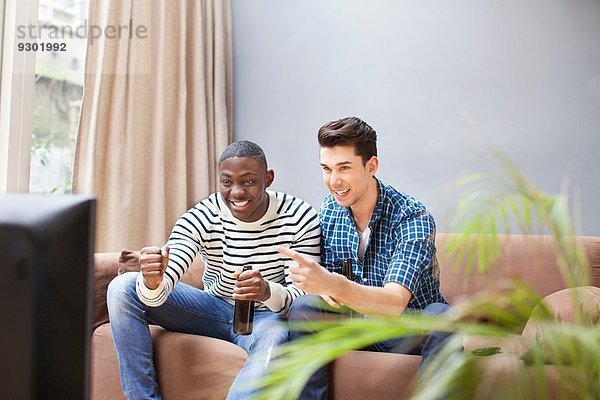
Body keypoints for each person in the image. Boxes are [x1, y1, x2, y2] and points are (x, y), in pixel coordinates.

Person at [107, 140, 321, 400]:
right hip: (210, 308)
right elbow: (165, 281)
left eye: (248, 181)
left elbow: (302, 301)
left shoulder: (299, 217)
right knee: (122, 287)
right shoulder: (204, 214)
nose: (237, 192)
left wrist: (267, 291)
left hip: (265, 318)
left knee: (276, 336)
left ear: (268, 178)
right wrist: (153, 282)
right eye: (227, 182)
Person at [277, 117, 452, 400]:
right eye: (327, 169)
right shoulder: (329, 212)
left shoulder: (411, 217)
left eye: (344, 168)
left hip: (405, 330)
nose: (334, 181)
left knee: (442, 317)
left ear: (371, 166)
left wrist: (332, 286)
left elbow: (395, 302)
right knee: (305, 308)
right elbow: (327, 286)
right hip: (354, 324)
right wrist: (318, 284)